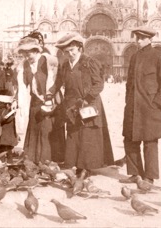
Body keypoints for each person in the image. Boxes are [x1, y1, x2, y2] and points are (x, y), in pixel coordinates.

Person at [48, 32, 114, 175]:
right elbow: (59, 81)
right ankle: (74, 163)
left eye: (72, 50)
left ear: (79, 48)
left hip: (88, 103)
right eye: (66, 52)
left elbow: (99, 84)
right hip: (71, 105)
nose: (69, 54)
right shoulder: (65, 65)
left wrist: (86, 99)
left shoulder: (89, 62)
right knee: (73, 133)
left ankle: (86, 166)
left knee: (86, 135)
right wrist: (51, 91)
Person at [120, 26, 161, 184]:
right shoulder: (134, 57)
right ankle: (135, 174)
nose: (138, 41)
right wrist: (127, 101)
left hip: (149, 108)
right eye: (137, 37)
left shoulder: (158, 56)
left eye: (142, 38)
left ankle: (149, 178)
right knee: (130, 139)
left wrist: (157, 103)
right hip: (133, 107)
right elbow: (129, 83)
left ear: (150, 39)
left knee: (150, 142)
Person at [15, 33, 65, 164]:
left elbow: (57, 79)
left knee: (46, 131)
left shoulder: (48, 60)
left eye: (29, 53)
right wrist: (16, 100)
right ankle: (34, 159)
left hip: (51, 102)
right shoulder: (25, 65)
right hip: (36, 103)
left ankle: (48, 160)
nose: (27, 57)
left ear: (36, 50)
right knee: (35, 129)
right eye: (24, 54)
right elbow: (22, 85)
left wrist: (49, 96)